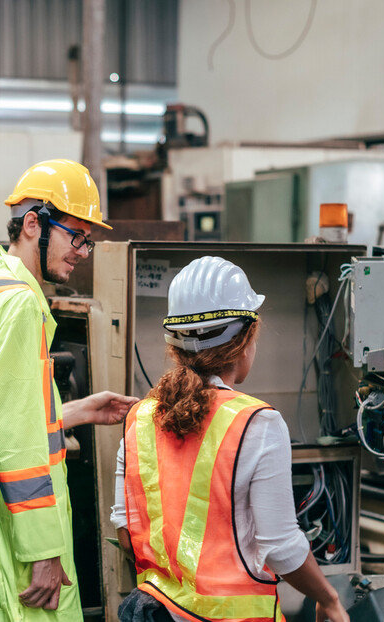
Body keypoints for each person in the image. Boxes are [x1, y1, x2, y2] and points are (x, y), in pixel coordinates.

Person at [112, 256, 349, 622]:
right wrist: (329, 598)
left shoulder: (139, 417)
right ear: (245, 339)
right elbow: (280, 548)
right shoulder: (258, 423)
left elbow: (128, 535)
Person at [0, 158, 139, 621]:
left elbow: (7, 414)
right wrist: (43, 551)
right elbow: (13, 442)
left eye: (87, 242)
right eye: (76, 236)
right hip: (24, 534)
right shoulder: (18, 307)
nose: (81, 251)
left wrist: (77, 411)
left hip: (1, 517)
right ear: (34, 224)